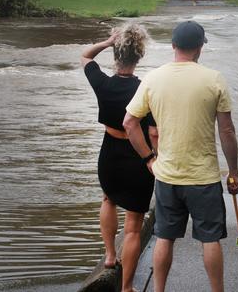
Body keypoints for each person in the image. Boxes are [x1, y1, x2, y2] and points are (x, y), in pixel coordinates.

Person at [123, 20, 238, 292]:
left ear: (173, 46)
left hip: (167, 175)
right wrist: (233, 172)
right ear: (200, 48)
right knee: (210, 240)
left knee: (164, 237)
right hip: (203, 177)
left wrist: (148, 159)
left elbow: (129, 123)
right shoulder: (214, 79)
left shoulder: (153, 78)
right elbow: (227, 131)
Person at [81, 23, 156, 292]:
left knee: (108, 199)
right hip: (138, 155)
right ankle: (126, 288)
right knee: (134, 226)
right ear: (139, 56)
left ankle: (110, 256)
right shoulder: (146, 88)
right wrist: (154, 157)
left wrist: (106, 42)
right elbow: (153, 131)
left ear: (117, 54)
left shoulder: (102, 83)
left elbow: (86, 57)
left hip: (109, 153)